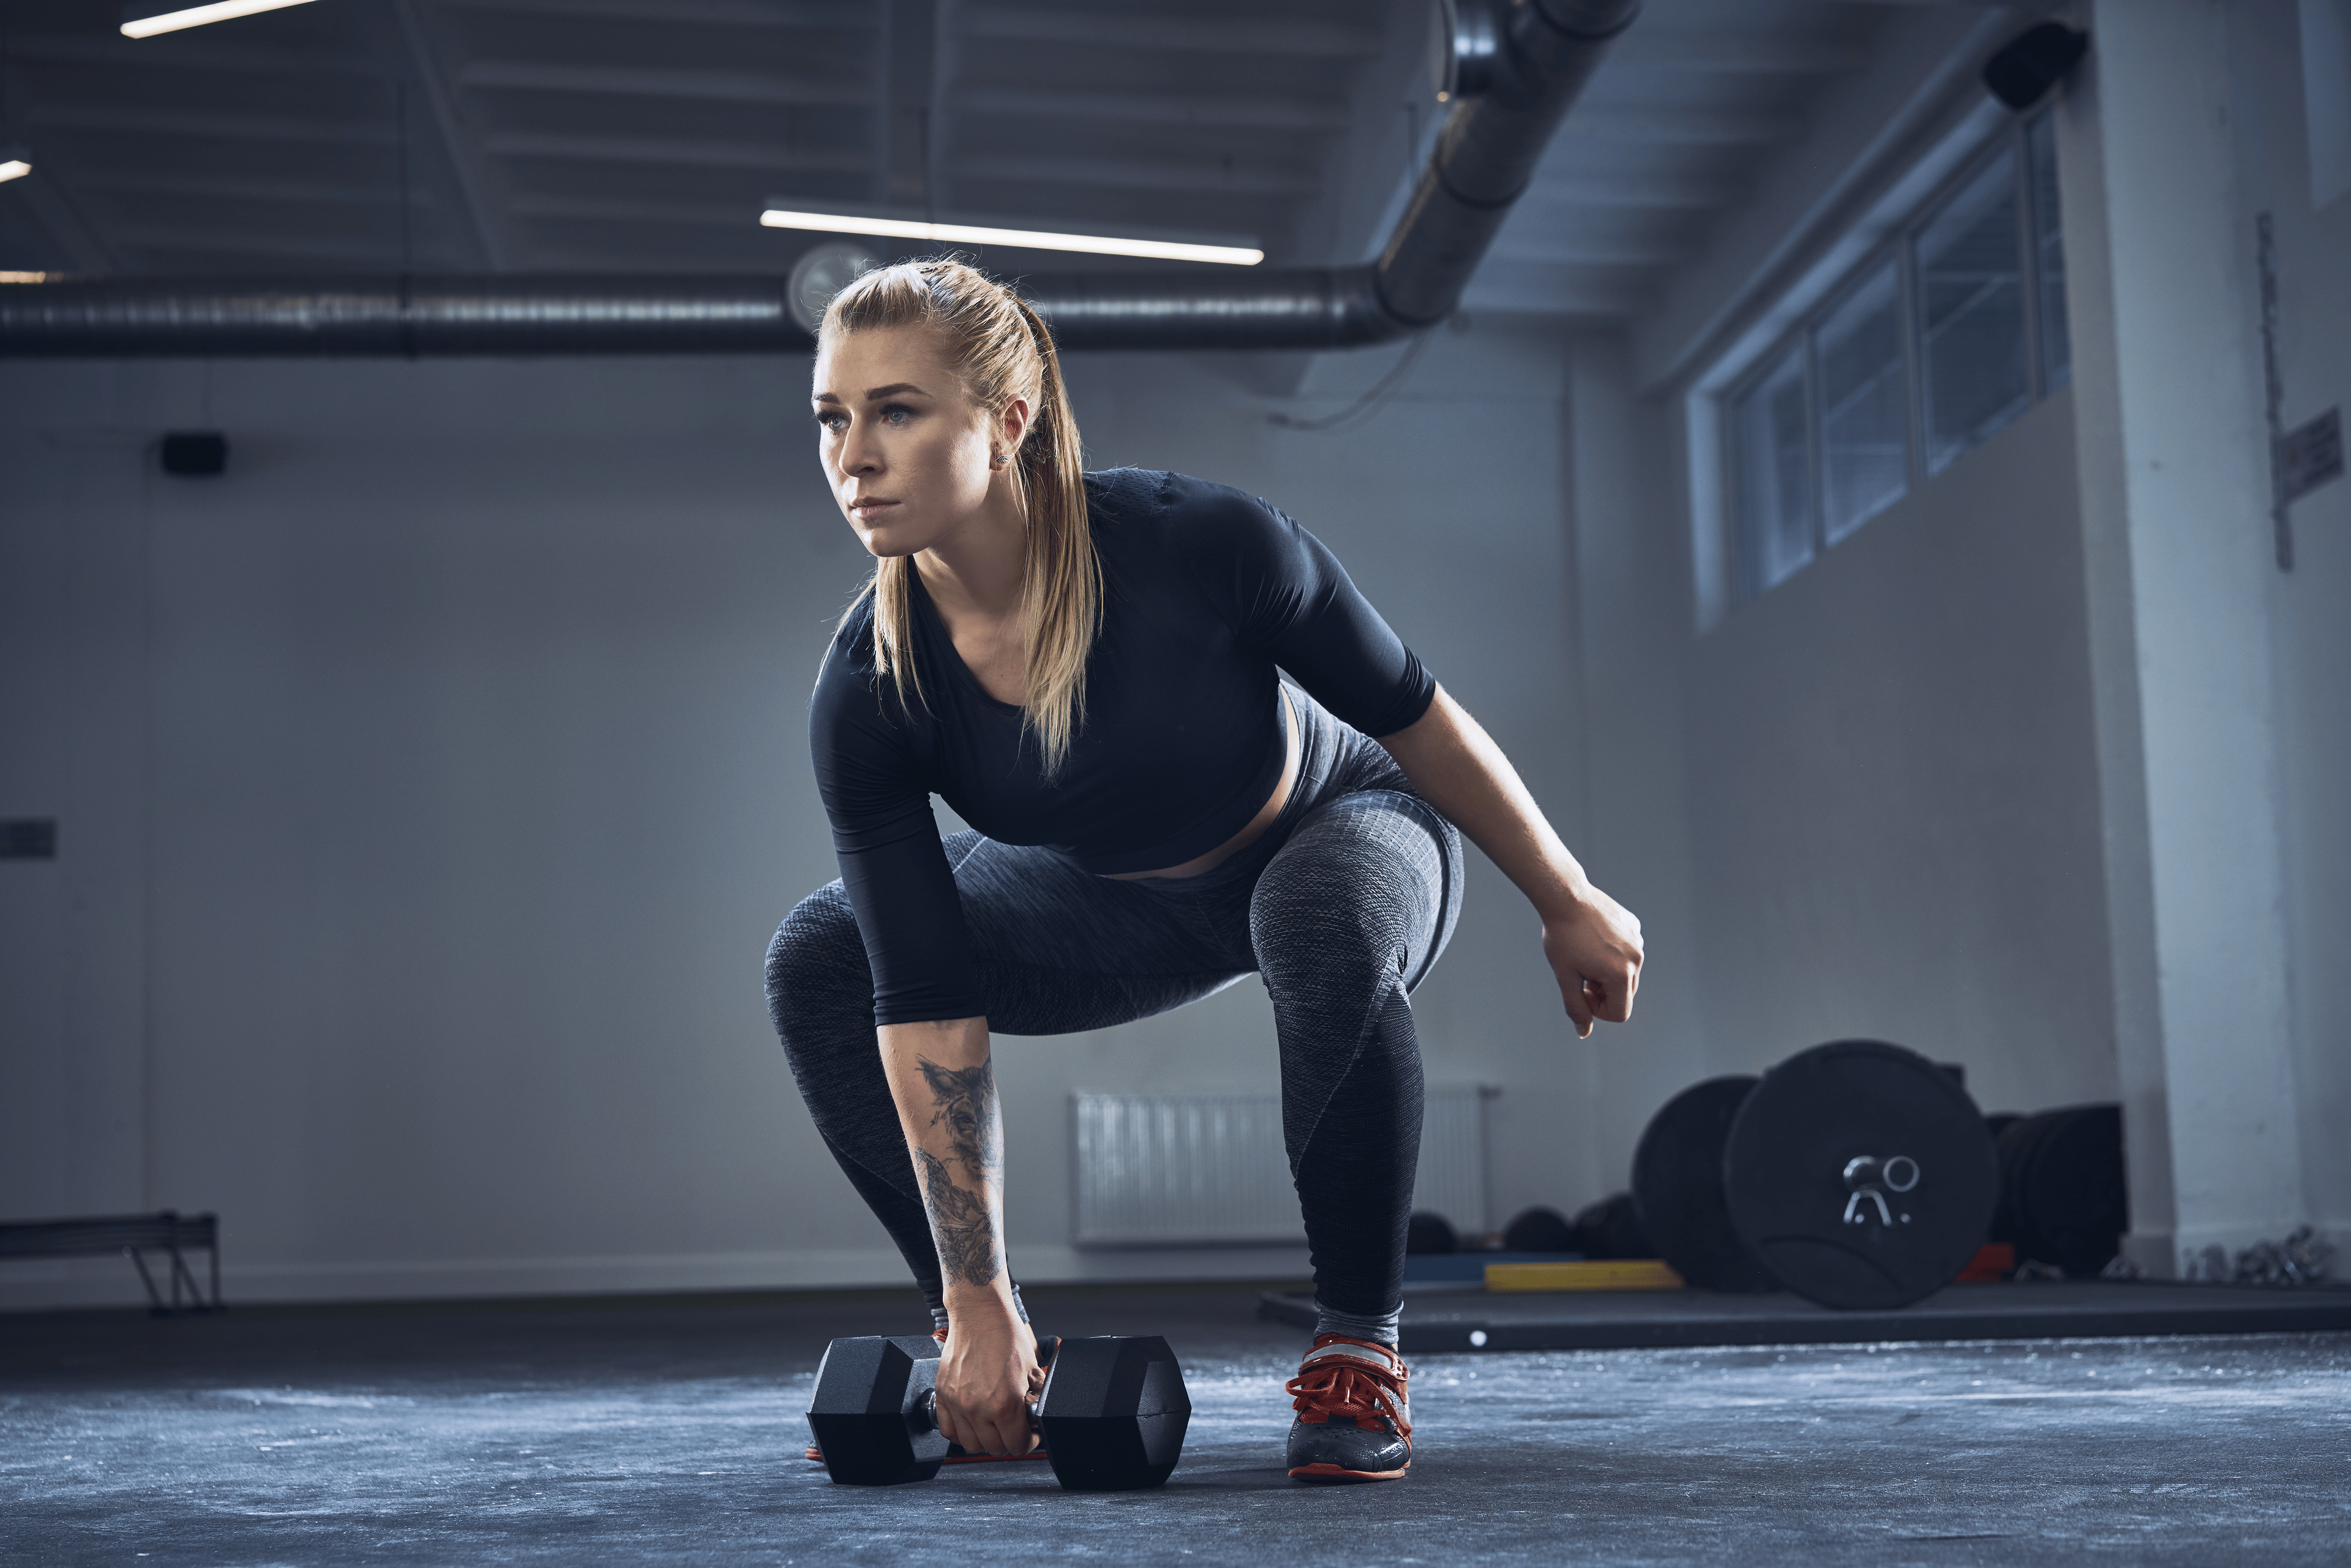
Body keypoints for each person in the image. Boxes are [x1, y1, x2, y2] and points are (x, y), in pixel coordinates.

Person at [766, 258, 1643, 1484]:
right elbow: (922, 992)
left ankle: (1359, 1350)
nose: (852, 456)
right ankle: (993, 1339)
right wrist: (976, 1296)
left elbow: (1417, 717)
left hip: (1341, 828)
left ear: (1007, 421)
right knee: (822, 952)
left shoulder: (1201, 543)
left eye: (896, 411)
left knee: (1316, 914)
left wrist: (1566, 897)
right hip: (1113, 901)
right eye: (833, 416)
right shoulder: (872, 688)